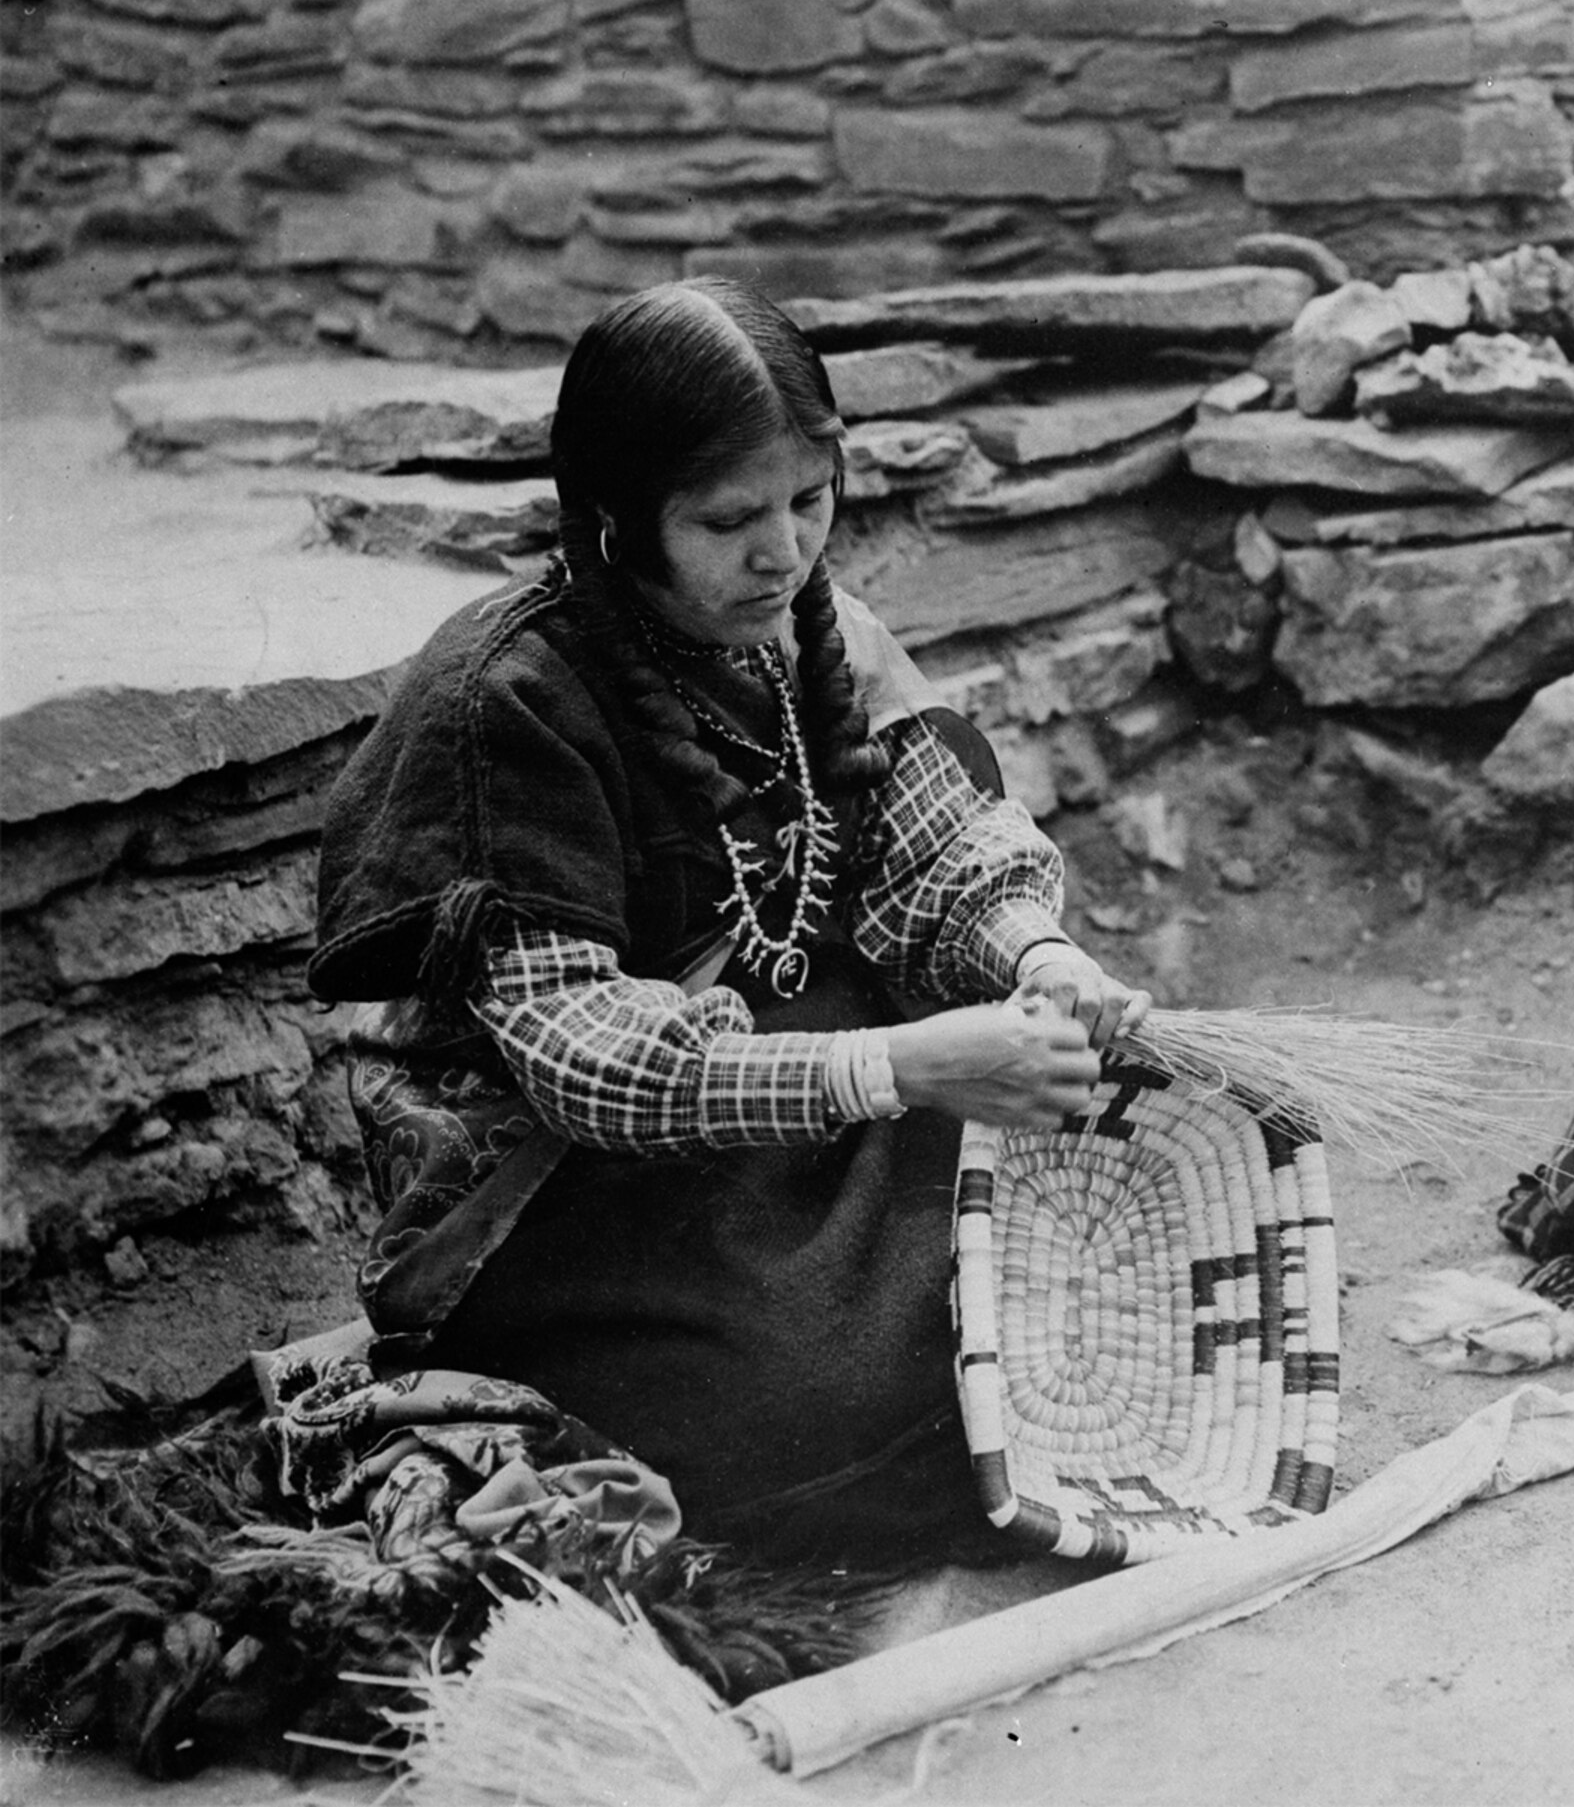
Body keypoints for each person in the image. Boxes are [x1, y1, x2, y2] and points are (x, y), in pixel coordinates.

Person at [312, 277, 1143, 1566]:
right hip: (585, 1185)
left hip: (816, 1109)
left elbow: (943, 850)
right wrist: (900, 1065)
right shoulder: (514, 697)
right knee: (816, 1390)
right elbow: (578, 1057)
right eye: (729, 518)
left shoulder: (818, 636)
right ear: (615, 518)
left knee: (1071, 1236)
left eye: (810, 500)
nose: (786, 552)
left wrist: (1039, 954)